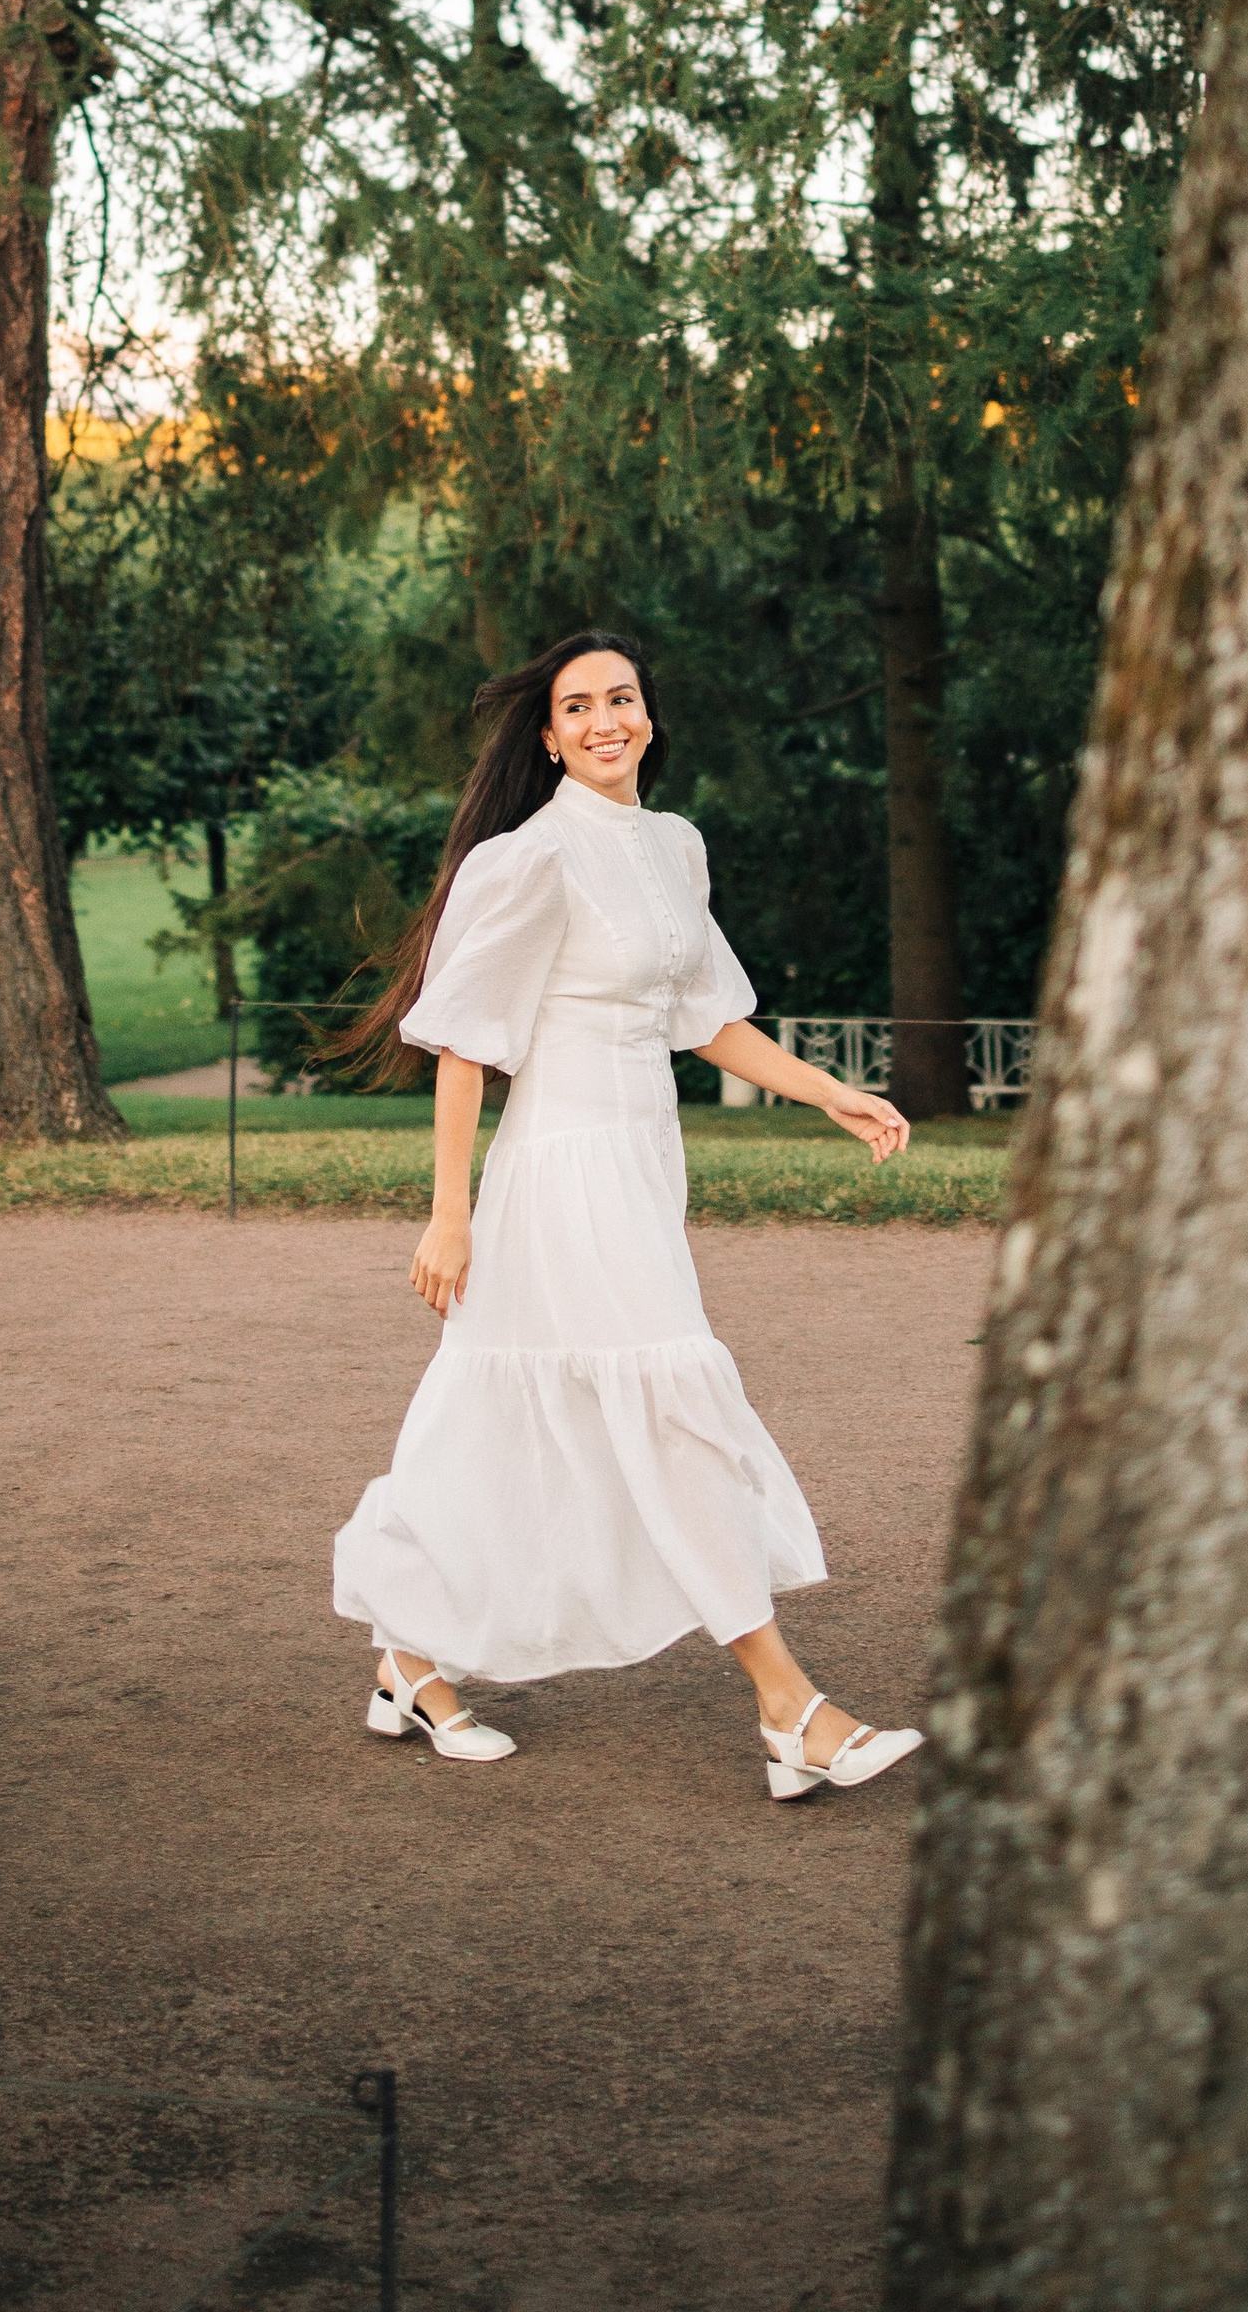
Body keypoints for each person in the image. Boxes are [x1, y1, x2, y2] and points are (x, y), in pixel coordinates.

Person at [329, 632, 927, 1800]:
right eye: (577, 706)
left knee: (505, 1420)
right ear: (546, 736)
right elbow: (464, 1044)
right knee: (668, 1407)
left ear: (648, 717)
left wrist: (828, 1092)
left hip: (644, 1161)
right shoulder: (527, 860)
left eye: (623, 698)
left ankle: (406, 1659)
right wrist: (449, 1214)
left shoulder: (672, 848)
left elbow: (705, 1015)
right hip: (559, 1169)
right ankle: (789, 1708)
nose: (605, 719)